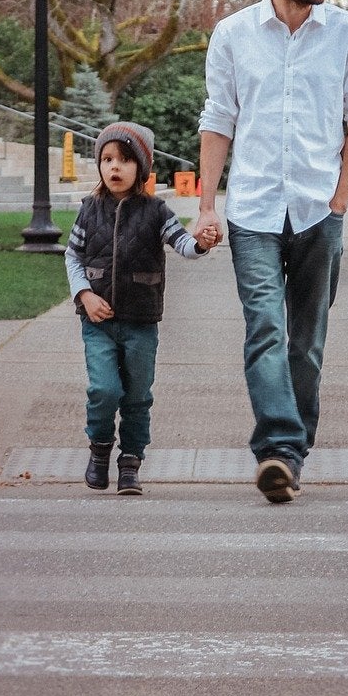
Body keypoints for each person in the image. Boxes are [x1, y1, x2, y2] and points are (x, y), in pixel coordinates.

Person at [195, 0, 348, 503]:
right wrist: (207, 205)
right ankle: (277, 448)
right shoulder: (233, 34)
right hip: (252, 209)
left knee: (306, 343)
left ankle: (292, 456)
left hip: (317, 209)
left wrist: (342, 198)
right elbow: (218, 119)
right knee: (265, 329)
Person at [65, 120, 218, 496]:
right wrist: (84, 294)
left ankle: (130, 462)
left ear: (143, 168)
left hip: (141, 323)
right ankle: (100, 450)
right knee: (104, 390)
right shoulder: (89, 211)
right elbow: (73, 256)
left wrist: (201, 243)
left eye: (125, 160)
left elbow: (182, 244)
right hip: (98, 322)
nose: (114, 167)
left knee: (137, 395)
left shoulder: (156, 212)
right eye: (107, 159)